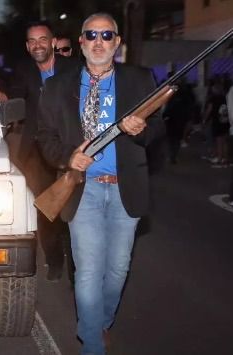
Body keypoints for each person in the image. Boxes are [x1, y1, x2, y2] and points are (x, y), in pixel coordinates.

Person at [36, 13, 164, 354]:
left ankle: (99, 322)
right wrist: (67, 157)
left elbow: (159, 130)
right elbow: (44, 136)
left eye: (106, 35)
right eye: (91, 34)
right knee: (89, 271)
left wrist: (144, 130)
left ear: (117, 42)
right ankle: (92, 344)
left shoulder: (139, 79)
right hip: (84, 189)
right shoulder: (58, 86)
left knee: (118, 269)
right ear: (80, 42)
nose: (98, 41)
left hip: (126, 187)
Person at [10, 21, 77, 282]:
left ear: (52, 42)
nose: (38, 44)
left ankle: (77, 266)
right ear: (28, 47)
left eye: (42, 39)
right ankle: (53, 258)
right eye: (32, 41)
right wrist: (1, 96)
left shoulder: (73, 69)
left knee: (74, 208)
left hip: (72, 147)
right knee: (46, 207)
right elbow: (16, 97)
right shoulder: (24, 71)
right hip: (37, 151)